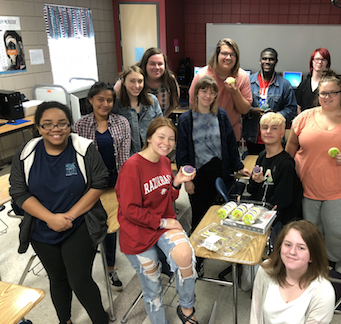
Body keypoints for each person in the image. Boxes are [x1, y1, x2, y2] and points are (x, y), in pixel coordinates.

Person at [9, 101, 110, 324]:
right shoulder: (26, 153)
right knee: (57, 279)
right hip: (41, 228)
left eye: (62, 124)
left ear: (70, 125)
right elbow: (18, 191)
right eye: (48, 125)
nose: (56, 129)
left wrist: (70, 215)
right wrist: (50, 218)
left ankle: (100, 320)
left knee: (80, 280)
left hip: (80, 224)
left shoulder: (84, 148)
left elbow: (100, 182)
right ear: (38, 127)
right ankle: (64, 320)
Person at [115, 117, 199, 324]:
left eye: (171, 139)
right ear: (149, 137)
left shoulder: (164, 161)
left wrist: (176, 183)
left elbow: (165, 195)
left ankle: (186, 308)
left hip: (161, 224)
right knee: (153, 287)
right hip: (137, 233)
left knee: (185, 256)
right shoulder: (132, 167)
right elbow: (130, 211)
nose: (167, 143)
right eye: (161, 137)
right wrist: (164, 222)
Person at [286, 69, 341, 269]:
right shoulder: (304, 117)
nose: (328, 97)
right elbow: (291, 146)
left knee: (336, 229)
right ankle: (312, 259)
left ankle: (332, 260)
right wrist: (288, 170)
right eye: (324, 93)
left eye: (333, 92)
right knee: (311, 228)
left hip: (339, 186)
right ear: (318, 95)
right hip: (307, 185)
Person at [74, 82, 131, 291]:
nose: (105, 104)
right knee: (89, 225)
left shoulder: (121, 122)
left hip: (115, 182)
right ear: (90, 100)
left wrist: (125, 184)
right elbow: (79, 157)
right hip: (91, 184)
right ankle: (81, 269)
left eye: (109, 100)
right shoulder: (80, 125)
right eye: (100, 99)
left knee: (110, 227)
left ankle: (110, 267)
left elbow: (125, 156)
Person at [177, 75, 250, 232]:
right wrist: (187, 180)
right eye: (204, 91)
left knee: (218, 212)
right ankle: (197, 253)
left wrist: (238, 166)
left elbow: (230, 143)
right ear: (196, 93)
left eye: (212, 92)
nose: (208, 96)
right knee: (199, 215)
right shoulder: (186, 119)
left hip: (219, 172)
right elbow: (182, 153)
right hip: (197, 176)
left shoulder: (221, 116)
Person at [250, 220, 335, 324]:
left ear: (312, 256)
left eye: (301, 247)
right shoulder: (266, 269)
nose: (292, 252)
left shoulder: (324, 293)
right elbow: (255, 315)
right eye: (288, 245)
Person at [188, 38, 252, 142]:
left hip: (230, 134)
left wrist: (235, 92)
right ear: (217, 55)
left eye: (232, 54)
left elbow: (244, 110)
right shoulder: (202, 75)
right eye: (224, 53)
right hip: (205, 134)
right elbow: (193, 106)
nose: (228, 57)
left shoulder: (242, 77)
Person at [247, 112, 302, 226]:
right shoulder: (262, 156)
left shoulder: (286, 164)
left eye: (274, 128)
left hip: (274, 220)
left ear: (282, 133)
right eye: (265, 127)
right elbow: (251, 189)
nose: (268, 131)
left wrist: (260, 216)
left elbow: (282, 200)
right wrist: (255, 181)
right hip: (257, 212)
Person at [242, 48, 298, 154]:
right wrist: (251, 111)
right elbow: (239, 106)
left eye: (271, 59)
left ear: (276, 61)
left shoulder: (284, 84)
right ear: (260, 61)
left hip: (275, 137)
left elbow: (292, 109)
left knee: (273, 168)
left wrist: (276, 116)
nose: (267, 62)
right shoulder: (248, 82)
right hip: (252, 136)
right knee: (254, 166)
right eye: (264, 59)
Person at [114, 47, 180, 117]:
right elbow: (114, 98)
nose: (157, 67)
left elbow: (175, 102)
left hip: (160, 122)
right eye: (152, 64)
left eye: (160, 64)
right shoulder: (132, 76)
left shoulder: (170, 79)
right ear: (145, 64)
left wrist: (163, 119)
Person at [112, 65, 162, 155]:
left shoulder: (152, 101)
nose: (137, 85)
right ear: (123, 81)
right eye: (132, 81)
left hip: (152, 154)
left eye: (140, 81)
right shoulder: (116, 106)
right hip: (129, 158)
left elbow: (161, 126)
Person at [296, 48, 331, 113]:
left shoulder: (329, 85)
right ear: (312, 61)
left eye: (323, 59)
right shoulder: (304, 83)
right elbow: (298, 106)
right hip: (304, 120)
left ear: (327, 63)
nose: (320, 62)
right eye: (317, 59)